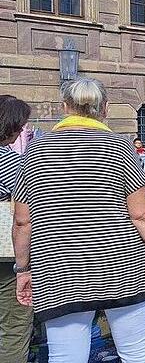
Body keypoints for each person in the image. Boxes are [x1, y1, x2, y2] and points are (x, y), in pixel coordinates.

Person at [12, 78, 145, 362]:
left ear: (64, 107)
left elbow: (23, 221)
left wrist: (23, 269)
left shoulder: (36, 150)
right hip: (121, 267)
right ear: (105, 109)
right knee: (137, 352)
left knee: (66, 356)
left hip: (58, 270)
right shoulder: (121, 147)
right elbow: (143, 213)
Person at [0, 96, 32, 363]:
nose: (22, 131)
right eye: (19, 126)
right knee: (13, 325)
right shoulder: (10, 162)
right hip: (6, 252)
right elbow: (30, 206)